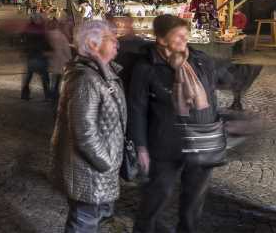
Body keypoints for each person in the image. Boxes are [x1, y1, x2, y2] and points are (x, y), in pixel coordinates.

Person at [128, 15, 223, 233]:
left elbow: (213, 95)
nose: (185, 38)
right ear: (161, 40)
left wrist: (217, 124)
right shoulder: (147, 67)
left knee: (193, 203)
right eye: (179, 35)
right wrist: (141, 147)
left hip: (202, 140)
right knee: (156, 197)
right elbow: (137, 109)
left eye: (186, 34)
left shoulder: (201, 60)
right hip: (165, 144)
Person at [52, 20, 125, 232]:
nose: (116, 44)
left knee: (96, 218)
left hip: (100, 170)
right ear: (93, 44)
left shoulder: (104, 72)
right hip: (90, 170)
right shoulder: (86, 79)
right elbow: (84, 132)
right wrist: (107, 162)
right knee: (84, 221)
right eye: (111, 39)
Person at [21, 13, 52, 101]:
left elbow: (23, 39)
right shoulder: (41, 29)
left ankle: (24, 95)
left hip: (31, 55)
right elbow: (45, 42)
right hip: (39, 55)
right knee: (44, 76)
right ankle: (47, 96)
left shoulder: (28, 28)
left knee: (28, 76)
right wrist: (50, 49)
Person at [46, 18, 72, 100]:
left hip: (51, 61)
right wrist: (69, 59)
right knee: (57, 79)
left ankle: (51, 93)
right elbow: (66, 49)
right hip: (61, 61)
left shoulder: (47, 35)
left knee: (52, 79)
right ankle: (55, 94)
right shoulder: (61, 36)